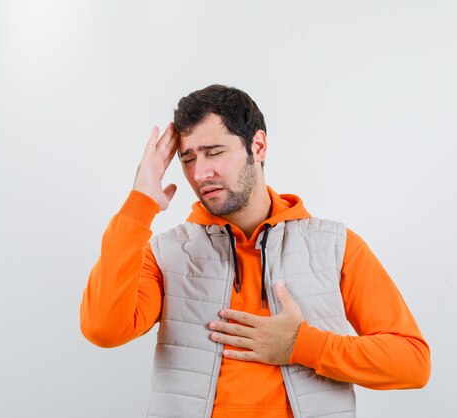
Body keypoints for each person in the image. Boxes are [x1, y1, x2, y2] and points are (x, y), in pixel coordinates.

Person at [80, 84, 430, 418]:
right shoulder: (166, 253)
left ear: (258, 147)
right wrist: (140, 203)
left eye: (214, 152)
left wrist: (303, 345)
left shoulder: (335, 246)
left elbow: (412, 362)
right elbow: (104, 329)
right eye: (188, 158)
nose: (201, 173)